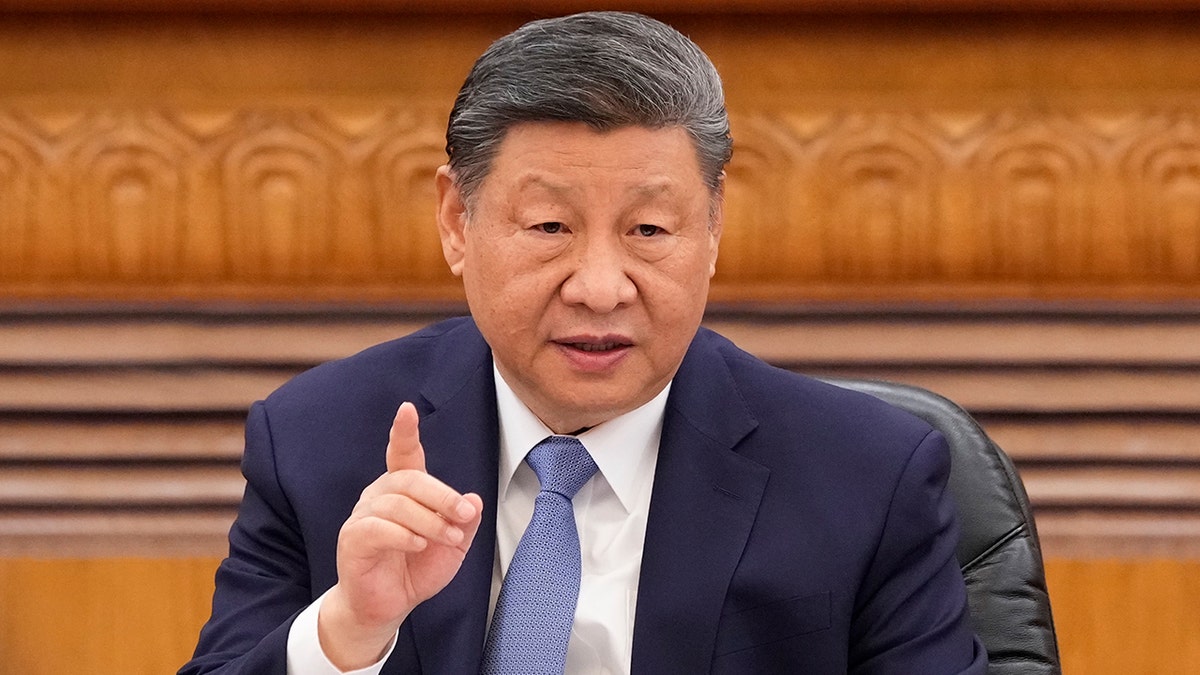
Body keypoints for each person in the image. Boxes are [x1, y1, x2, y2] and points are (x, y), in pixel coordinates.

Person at [182, 11, 986, 675]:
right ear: (457, 222)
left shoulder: (866, 476)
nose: (600, 286)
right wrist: (346, 633)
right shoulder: (319, 439)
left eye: (648, 229)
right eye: (549, 227)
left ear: (712, 228)